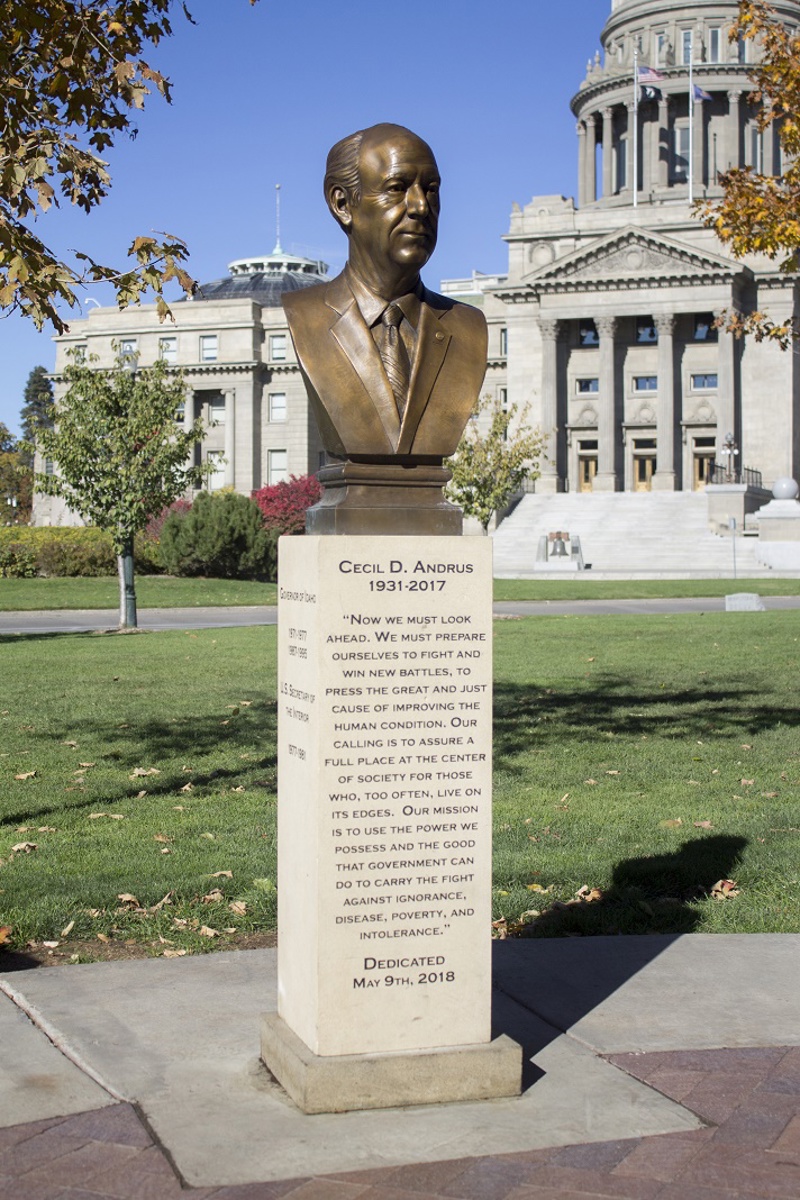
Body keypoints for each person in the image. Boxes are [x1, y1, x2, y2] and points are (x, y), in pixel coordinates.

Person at [283, 123, 487, 459]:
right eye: (397, 187)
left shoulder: (467, 327)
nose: (421, 206)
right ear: (342, 203)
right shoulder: (305, 316)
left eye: (431, 189)